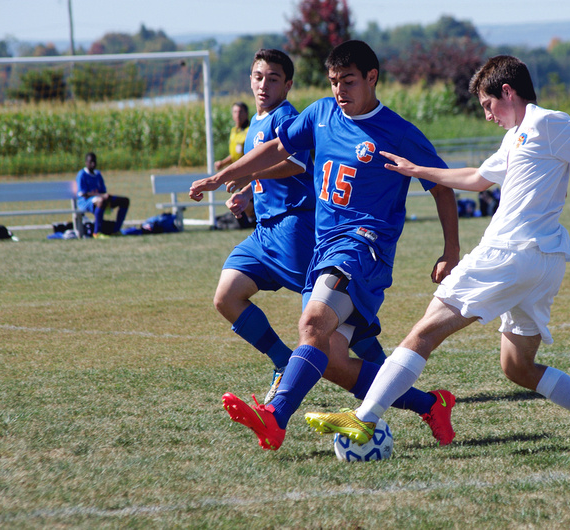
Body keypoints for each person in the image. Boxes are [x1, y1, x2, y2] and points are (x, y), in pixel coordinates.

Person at [305, 55, 570, 447]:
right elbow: (477, 179)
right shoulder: (516, 136)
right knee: (518, 367)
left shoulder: (549, 122)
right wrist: (417, 170)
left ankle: (364, 418)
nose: (487, 115)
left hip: (508, 253)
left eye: (487, 105)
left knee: (422, 333)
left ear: (507, 92)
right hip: (543, 263)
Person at [189, 40, 461, 451]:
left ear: (372, 78)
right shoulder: (320, 114)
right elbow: (278, 148)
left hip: (363, 249)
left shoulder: (399, 133)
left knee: (312, 325)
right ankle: (431, 404)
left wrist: (450, 251)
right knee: (331, 361)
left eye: (348, 81)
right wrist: (224, 176)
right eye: (334, 82)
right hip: (324, 249)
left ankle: (275, 417)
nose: (339, 90)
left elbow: (442, 187)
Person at [209, 48, 388, 405]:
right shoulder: (253, 125)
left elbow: (297, 165)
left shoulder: (285, 117)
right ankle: (281, 359)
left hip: (295, 226)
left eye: (273, 79)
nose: (264, 85)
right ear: (250, 79)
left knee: (331, 313)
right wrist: (246, 193)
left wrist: (249, 174)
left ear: (287, 85)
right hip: (264, 232)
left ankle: (387, 374)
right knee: (226, 296)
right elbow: (263, 176)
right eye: (259, 77)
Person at [76, 152, 129, 238]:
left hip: (100, 198)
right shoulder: (82, 174)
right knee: (101, 200)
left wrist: (105, 195)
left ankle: (116, 230)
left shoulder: (98, 174)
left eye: (94, 161)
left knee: (124, 201)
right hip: (86, 201)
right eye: (90, 162)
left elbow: (103, 191)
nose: (93, 164)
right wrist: (100, 195)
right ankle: (97, 233)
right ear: (86, 163)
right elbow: (83, 193)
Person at [215, 101, 250, 171]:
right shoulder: (234, 131)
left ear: (246, 114)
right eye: (235, 112)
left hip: (247, 170)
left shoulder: (250, 130)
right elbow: (235, 155)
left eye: (241, 112)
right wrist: (222, 163)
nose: (238, 115)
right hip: (237, 170)